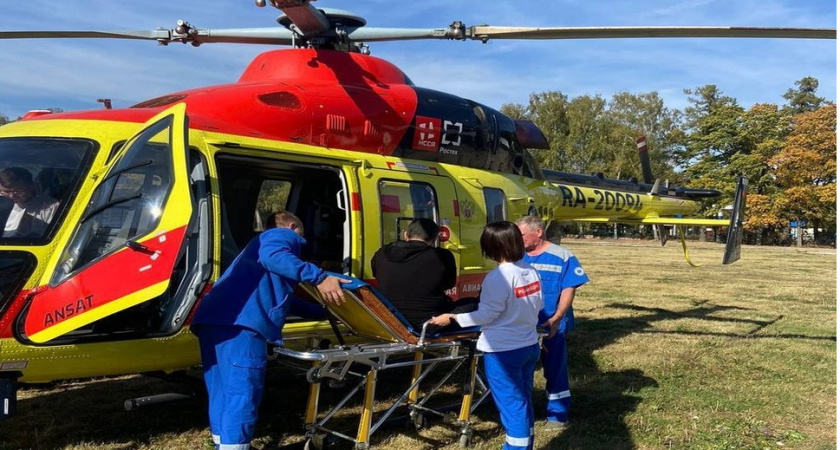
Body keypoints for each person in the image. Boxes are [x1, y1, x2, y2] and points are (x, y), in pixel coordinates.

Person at [191, 210, 349, 450]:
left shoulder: (255, 248)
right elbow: (273, 257)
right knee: (243, 393)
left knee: (222, 390)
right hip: (241, 326)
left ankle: (222, 444)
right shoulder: (282, 235)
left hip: (214, 320)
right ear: (294, 226)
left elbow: (286, 299)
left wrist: (325, 312)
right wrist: (320, 277)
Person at [429, 221, 543, 450]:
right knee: (522, 400)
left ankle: (516, 446)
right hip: (528, 345)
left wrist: (452, 318)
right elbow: (539, 304)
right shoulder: (530, 270)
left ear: (491, 247)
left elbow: (486, 315)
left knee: (512, 404)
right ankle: (526, 442)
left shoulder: (498, 277)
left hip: (503, 350)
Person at [515, 216, 589, 428]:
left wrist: (557, 318)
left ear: (538, 232)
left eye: (521, 235)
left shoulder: (562, 256)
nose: (518, 240)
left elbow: (569, 288)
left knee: (554, 366)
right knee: (522, 369)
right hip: (522, 324)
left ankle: (557, 414)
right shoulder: (518, 256)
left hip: (551, 323)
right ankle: (523, 413)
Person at [371, 217, 476, 333]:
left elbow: (377, 275)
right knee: (473, 303)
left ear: (406, 234)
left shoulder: (381, 253)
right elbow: (449, 284)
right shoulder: (442, 256)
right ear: (435, 238)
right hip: (430, 323)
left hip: (390, 319)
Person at [0, 167, 60, 238]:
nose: (12, 196)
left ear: (31, 186)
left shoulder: (52, 207)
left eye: (18, 191)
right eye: (6, 192)